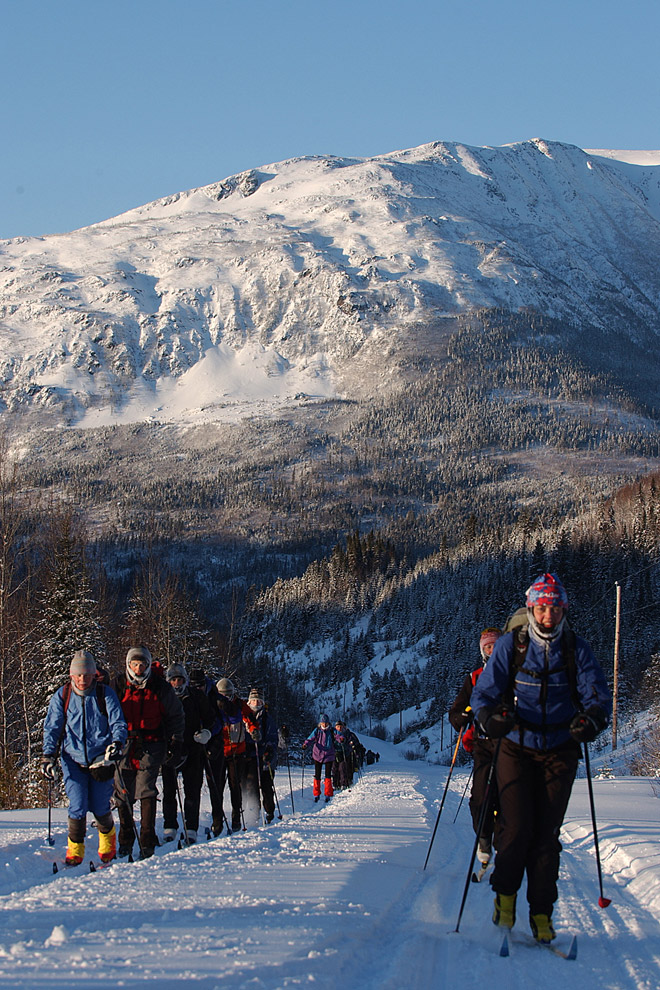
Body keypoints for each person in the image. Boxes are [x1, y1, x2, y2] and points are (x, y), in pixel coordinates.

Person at [470, 573, 611, 943]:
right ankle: (505, 898)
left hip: (560, 749)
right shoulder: (510, 647)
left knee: (546, 836)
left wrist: (591, 719)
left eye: (556, 608)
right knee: (515, 829)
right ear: (532, 608)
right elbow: (484, 693)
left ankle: (542, 912)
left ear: (564, 610)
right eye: (543, 607)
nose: (549, 615)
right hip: (516, 746)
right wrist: (490, 718)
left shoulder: (575, 649)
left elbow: (597, 694)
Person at [42, 650, 127, 866]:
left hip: (101, 759)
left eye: (86, 674)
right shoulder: (63, 696)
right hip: (72, 758)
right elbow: (52, 727)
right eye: (78, 675)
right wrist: (48, 756)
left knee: (100, 807)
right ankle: (75, 851)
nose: (82, 679)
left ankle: (108, 845)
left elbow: (118, 722)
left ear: (93, 674)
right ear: (71, 675)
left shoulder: (104, 694)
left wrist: (117, 743)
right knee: (77, 805)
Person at [111, 646, 185, 859]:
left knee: (145, 789)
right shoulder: (118, 685)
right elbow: (105, 711)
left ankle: (147, 838)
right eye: (135, 664)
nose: (139, 669)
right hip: (123, 743)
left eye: (142, 664)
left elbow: (175, 715)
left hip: (152, 742)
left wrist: (176, 741)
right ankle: (126, 838)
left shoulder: (159, 687)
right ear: (128, 664)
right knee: (122, 789)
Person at [448, 627, 502, 868]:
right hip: (483, 744)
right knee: (480, 799)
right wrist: (460, 716)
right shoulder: (474, 678)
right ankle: (483, 837)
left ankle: (503, 843)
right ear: (483, 651)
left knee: (507, 798)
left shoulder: (516, 674)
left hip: (511, 745)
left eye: (496, 645)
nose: (492, 650)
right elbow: (457, 710)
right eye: (488, 647)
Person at [161, 663, 215, 844]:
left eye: (180, 679)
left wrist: (206, 733)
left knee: (192, 789)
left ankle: (191, 827)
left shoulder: (196, 696)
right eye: (173, 680)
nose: (177, 683)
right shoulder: (163, 697)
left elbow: (210, 718)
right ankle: (170, 825)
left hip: (193, 747)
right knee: (169, 789)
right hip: (170, 748)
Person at [213, 678, 260, 832]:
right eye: (223, 694)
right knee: (217, 786)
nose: (226, 697)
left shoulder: (240, 705)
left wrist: (254, 730)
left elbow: (250, 719)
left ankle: (236, 817)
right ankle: (217, 819)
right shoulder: (214, 704)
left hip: (238, 750)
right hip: (220, 750)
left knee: (235, 785)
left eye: (229, 694)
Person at [189, 666, 226, 836]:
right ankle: (192, 826)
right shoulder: (188, 696)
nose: (198, 689)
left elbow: (222, 719)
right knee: (193, 785)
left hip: (214, 743)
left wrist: (210, 732)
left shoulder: (213, 696)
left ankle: (217, 822)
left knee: (215, 785)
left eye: (200, 685)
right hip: (195, 744)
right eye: (195, 685)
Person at [243, 687, 279, 824]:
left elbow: (272, 736)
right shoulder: (244, 717)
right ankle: (254, 813)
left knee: (266, 786)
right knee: (251, 786)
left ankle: (269, 811)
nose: (256, 705)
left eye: (258, 702)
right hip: (250, 756)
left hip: (265, 758)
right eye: (253, 701)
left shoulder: (267, 719)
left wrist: (269, 750)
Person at [302, 714, 336, 802]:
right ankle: (316, 794)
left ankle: (328, 794)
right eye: (323, 723)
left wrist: (342, 739)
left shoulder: (332, 731)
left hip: (329, 754)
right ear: (320, 723)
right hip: (318, 754)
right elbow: (310, 738)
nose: (324, 725)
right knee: (317, 775)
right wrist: (306, 744)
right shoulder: (317, 731)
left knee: (328, 775)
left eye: (326, 723)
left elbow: (338, 736)